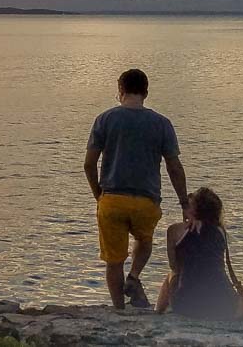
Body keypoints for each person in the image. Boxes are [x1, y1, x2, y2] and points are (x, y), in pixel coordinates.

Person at [84, 69, 189, 309]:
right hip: (146, 202)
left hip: (112, 200)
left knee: (114, 261)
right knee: (144, 240)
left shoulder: (105, 119)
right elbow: (174, 166)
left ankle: (119, 309)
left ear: (120, 91)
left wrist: (98, 195)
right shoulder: (162, 123)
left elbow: (89, 164)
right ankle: (133, 277)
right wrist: (184, 202)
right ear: (146, 92)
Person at [155, 188, 242, 319]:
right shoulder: (220, 231)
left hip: (188, 304)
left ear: (193, 210)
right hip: (224, 303)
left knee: (171, 274)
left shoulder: (175, 230)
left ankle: (157, 313)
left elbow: (174, 266)